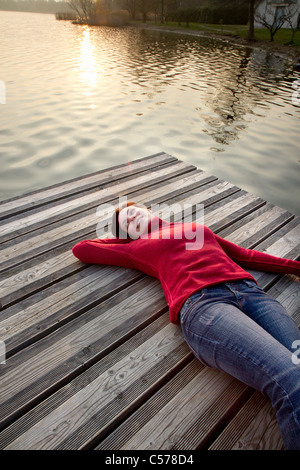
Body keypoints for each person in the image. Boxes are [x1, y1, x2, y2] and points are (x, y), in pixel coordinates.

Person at [72, 201, 300, 450]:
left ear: (147, 208)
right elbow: (82, 249)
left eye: (132, 211)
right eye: (125, 224)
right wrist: (125, 239)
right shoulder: (135, 247)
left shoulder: (194, 228)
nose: (130, 219)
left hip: (252, 293)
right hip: (205, 307)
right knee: (292, 379)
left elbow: (244, 255)